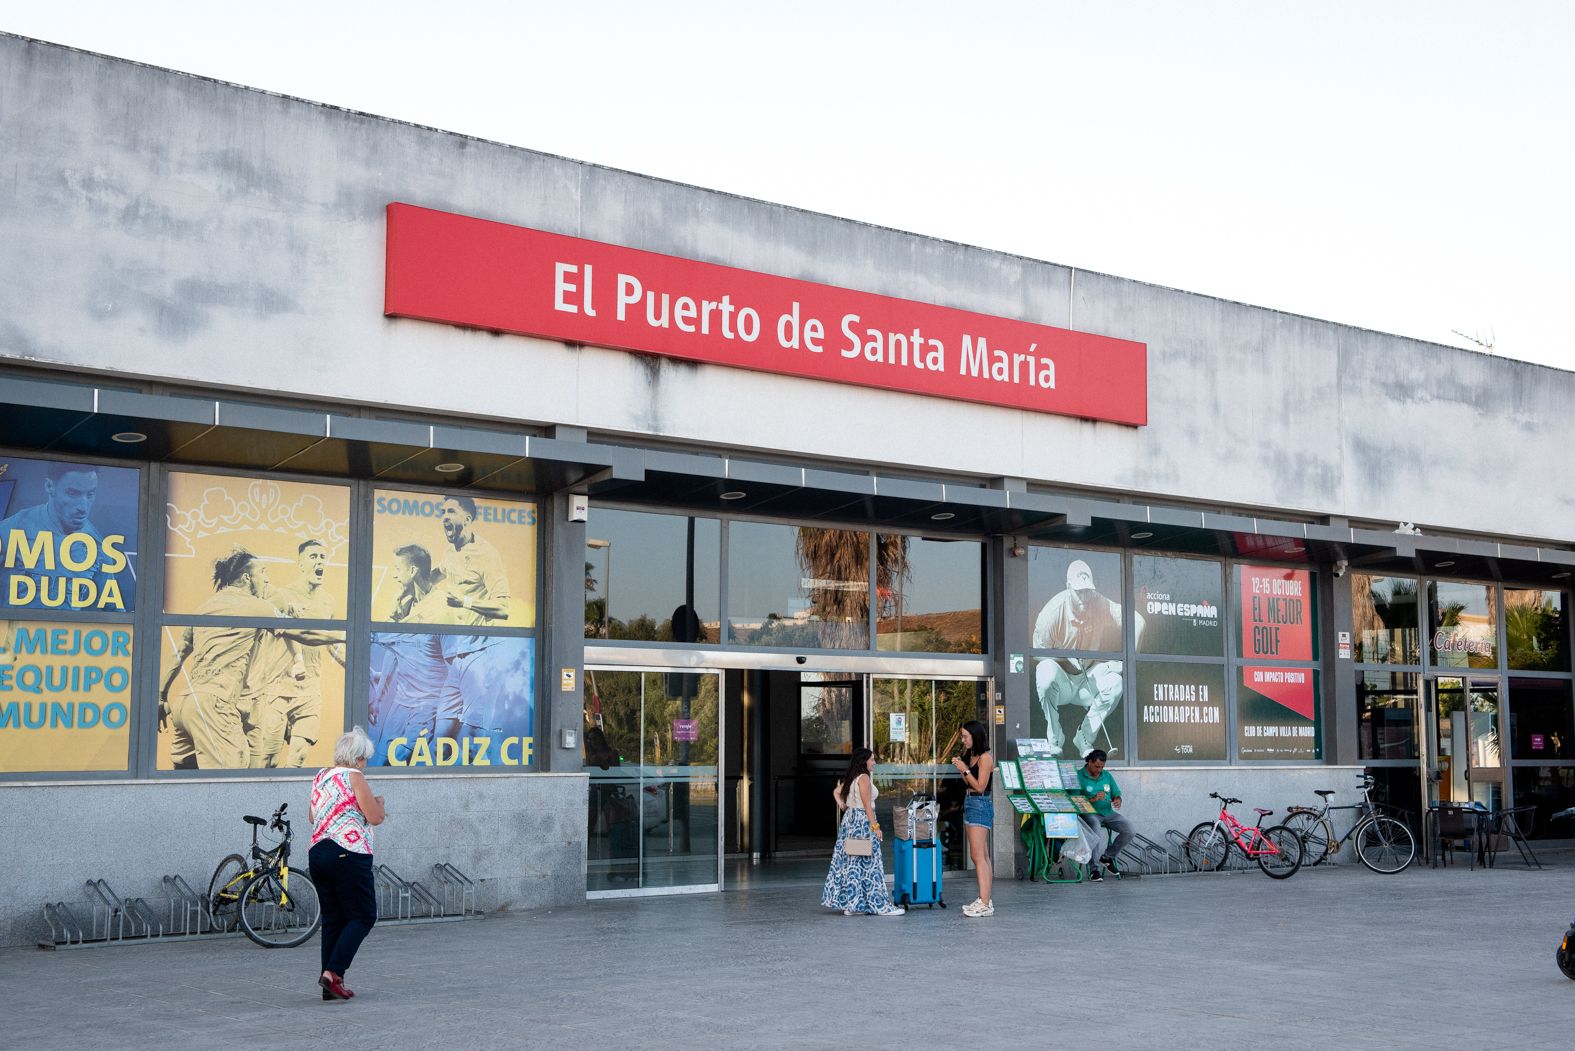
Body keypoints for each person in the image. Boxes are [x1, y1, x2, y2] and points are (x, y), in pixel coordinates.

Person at [157, 549, 338, 769]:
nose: (267, 578)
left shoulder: (205, 608)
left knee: (186, 784)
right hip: (215, 706)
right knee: (234, 784)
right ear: (247, 577)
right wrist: (347, 635)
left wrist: (161, 696)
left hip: (185, 705)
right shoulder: (254, 606)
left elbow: (178, 654)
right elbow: (304, 634)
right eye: (263, 572)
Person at [1032, 559, 1144, 757]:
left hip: (1088, 679)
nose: (1084, 597)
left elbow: (1138, 621)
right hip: (1062, 681)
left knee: (1116, 682)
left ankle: (1084, 737)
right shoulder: (1051, 613)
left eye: (1087, 591)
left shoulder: (1099, 602)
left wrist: (1127, 661)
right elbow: (1038, 652)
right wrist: (1064, 660)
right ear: (1068, 587)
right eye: (1079, 591)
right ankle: (1055, 736)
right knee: (1045, 673)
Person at [308, 726, 385, 1001]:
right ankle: (332, 973)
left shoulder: (321, 777)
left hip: (318, 852)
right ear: (358, 757)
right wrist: (379, 803)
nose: (366, 764)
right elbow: (374, 817)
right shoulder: (355, 776)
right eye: (365, 758)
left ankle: (330, 985)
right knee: (363, 915)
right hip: (348, 852)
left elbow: (312, 816)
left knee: (333, 919)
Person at [271, 540, 347, 767]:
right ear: (301, 563)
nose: (319, 561)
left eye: (323, 557)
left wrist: (356, 666)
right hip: (278, 686)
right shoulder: (283, 596)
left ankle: (289, 799)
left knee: (299, 756)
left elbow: (330, 643)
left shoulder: (328, 601)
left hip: (310, 687)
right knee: (269, 759)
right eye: (313, 556)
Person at [821, 747, 904, 917]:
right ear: (864, 761)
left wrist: (844, 806)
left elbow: (836, 792)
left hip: (851, 822)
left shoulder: (853, 778)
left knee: (853, 863)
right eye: (872, 759)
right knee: (870, 863)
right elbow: (867, 805)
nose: (874, 762)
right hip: (863, 823)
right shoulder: (864, 778)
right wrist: (876, 827)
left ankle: (852, 905)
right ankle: (877, 904)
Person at [951, 720, 996, 917]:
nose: (963, 740)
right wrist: (963, 768)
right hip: (970, 802)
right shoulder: (971, 755)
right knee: (980, 855)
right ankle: (984, 898)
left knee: (978, 856)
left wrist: (965, 769)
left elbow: (980, 786)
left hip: (980, 802)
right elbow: (968, 781)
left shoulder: (985, 758)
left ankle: (984, 902)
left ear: (975, 736)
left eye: (965, 736)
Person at [1076, 748, 1134, 881]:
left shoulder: (1106, 775)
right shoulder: (1079, 776)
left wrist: (1118, 800)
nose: (1099, 770)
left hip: (1108, 812)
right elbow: (1075, 801)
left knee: (1129, 830)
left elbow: (1116, 794)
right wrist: (1093, 799)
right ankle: (1094, 870)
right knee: (1095, 829)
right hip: (1089, 813)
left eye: (1102, 767)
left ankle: (1107, 857)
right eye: (1096, 766)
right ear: (1089, 762)